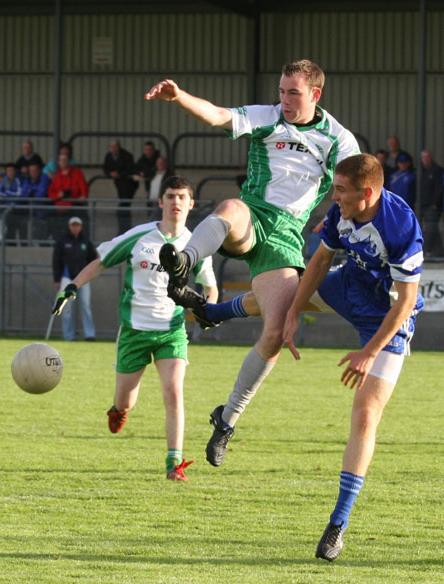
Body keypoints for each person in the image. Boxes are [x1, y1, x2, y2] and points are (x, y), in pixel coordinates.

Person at [201, 154, 424, 561]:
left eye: (340, 190)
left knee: (364, 414)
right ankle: (213, 312)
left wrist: (368, 351)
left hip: (389, 316)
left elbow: (407, 300)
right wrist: (289, 314)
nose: (333, 197)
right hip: (350, 286)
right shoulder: (341, 214)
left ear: (367, 193)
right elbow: (320, 261)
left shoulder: (401, 225)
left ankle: (338, 522)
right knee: (282, 297)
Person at [145, 59, 360, 468]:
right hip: (253, 214)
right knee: (229, 206)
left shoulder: (337, 140)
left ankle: (226, 419)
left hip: (286, 236)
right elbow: (219, 115)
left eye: (292, 93)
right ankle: (184, 262)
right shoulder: (268, 118)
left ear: (315, 94)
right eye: (281, 91)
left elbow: (354, 186)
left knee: (276, 330)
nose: (284, 100)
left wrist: (348, 225)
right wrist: (180, 97)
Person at [51, 176, 218, 482]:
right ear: (160, 202)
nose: (176, 202)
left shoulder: (196, 245)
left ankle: (174, 464)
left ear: (191, 203)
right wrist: (72, 286)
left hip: (171, 331)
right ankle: (118, 410)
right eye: (170, 196)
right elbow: (101, 262)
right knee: (126, 400)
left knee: (174, 391)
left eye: (182, 196)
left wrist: (208, 311)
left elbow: (210, 287)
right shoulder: (139, 236)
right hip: (133, 331)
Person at [52, 216, 97, 341]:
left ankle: (89, 334)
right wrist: (57, 279)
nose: (75, 227)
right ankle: (68, 336)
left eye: (77, 225)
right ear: (69, 226)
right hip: (66, 278)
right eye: (73, 225)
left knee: (86, 305)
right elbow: (56, 261)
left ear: (81, 227)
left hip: (83, 279)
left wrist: (90, 274)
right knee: (66, 308)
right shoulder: (62, 241)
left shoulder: (86, 241)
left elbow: (93, 259)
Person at [48, 153, 89, 236]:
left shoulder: (76, 172)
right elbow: (51, 192)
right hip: (60, 209)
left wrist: (83, 196)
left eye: (64, 160)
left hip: (73, 208)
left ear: (68, 162)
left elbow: (82, 186)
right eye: (61, 160)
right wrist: (58, 196)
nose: (62, 162)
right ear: (58, 162)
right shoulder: (58, 175)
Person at [103, 139, 138, 235]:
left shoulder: (127, 156)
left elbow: (130, 169)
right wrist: (111, 173)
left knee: (124, 207)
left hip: (128, 184)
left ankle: (125, 232)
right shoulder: (109, 156)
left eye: (115, 147)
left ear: (119, 147)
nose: (113, 149)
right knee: (122, 206)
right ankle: (123, 232)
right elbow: (105, 168)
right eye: (111, 147)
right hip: (119, 184)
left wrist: (119, 174)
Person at [419, 150, 444, 258]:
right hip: (423, 205)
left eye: (428, 157)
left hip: (432, 206)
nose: (426, 159)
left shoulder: (437, 171)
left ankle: (428, 250)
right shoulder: (421, 171)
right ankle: (438, 251)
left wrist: (435, 203)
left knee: (431, 228)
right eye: (424, 157)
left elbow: (440, 188)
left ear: (432, 157)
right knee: (432, 229)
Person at [0, 162, 26, 244]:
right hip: (7, 208)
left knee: (21, 229)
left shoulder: (18, 179)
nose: (10, 172)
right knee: (9, 229)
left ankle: (23, 246)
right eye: (8, 171)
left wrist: (7, 193)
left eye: (12, 170)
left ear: (15, 171)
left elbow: (19, 193)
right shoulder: (4, 179)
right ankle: (10, 245)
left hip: (18, 209)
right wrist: (9, 194)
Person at [20, 163, 52, 241]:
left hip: (44, 212)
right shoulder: (27, 179)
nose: (33, 172)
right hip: (31, 211)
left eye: (35, 170)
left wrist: (31, 191)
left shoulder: (44, 178)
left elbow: (41, 193)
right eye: (31, 170)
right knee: (23, 225)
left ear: (39, 171)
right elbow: (23, 194)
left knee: (42, 236)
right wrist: (33, 192)